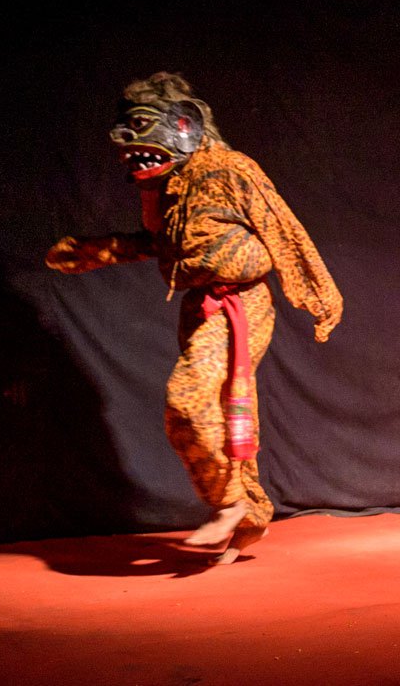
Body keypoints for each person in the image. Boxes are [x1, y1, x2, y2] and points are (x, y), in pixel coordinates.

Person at [46, 73, 343, 564]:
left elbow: (284, 228)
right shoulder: (169, 188)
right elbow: (162, 245)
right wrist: (98, 251)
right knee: (222, 415)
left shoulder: (230, 169)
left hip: (241, 303)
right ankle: (249, 519)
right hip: (198, 305)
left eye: (142, 128)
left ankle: (229, 504)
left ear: (182, 124)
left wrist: (319, 298)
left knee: (186, 401)